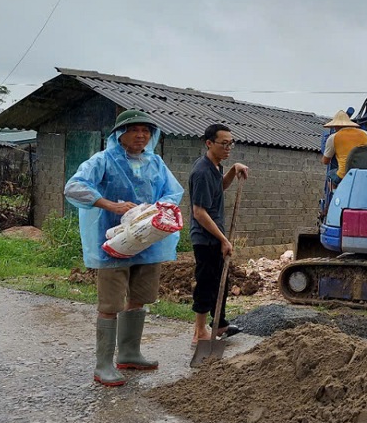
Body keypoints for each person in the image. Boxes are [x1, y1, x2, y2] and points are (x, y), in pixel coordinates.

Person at [64, 110, 184, 387]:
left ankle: (129, 353)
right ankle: (103, 364)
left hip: (148, 241)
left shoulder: (155, 162)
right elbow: (74, 187)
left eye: (146, 130)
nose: (141, 135)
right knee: (110, 303)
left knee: (139, 297)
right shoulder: (102, 161)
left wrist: (156, 210)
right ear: (120, 134)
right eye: (134, 130)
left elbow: (173, 192)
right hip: (114, 242)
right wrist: (110, 204)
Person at [189, 124, 249, 345]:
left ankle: (220, 323)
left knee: (220, 281)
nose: (228, 147)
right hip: (206, 239)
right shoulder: (202, 171)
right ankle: (199, 332)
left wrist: (233, 170)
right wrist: (223, 239)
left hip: (215, 236)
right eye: (224, 143)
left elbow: (218, 189)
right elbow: (199, 212)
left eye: (230, 143)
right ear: (209, 143)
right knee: (206, 283)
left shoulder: (216, 167)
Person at [320, 110, 367, 188]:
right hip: (365, 173)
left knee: (330, 175)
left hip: (345, 174)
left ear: (336, 126)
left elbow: (326, 161)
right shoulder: (365, 134)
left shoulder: (334, 137)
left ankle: (335, 196)